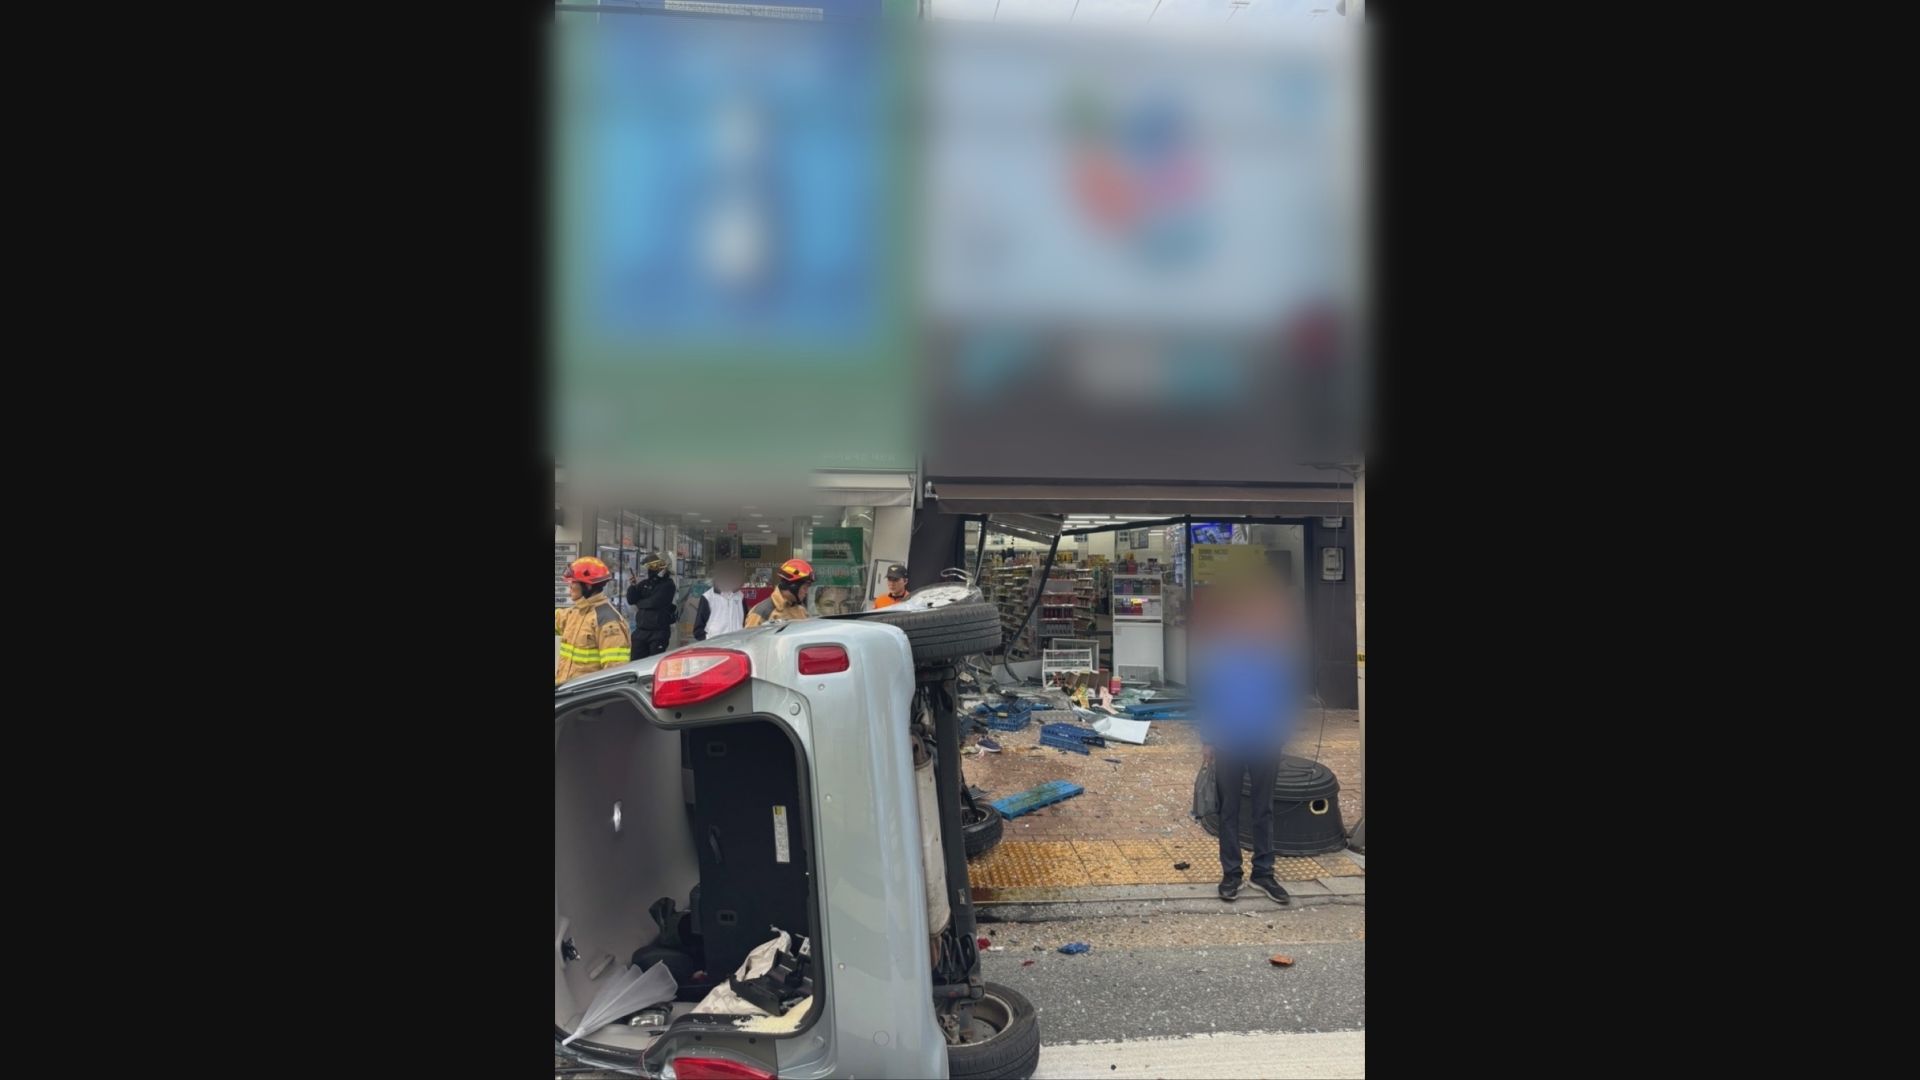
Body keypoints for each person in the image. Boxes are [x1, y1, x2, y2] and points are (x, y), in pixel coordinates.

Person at [1189, 567, 1303, 905]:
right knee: (1229, 810)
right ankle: (1231, 874)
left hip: (1266, 740)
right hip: (1228, 740)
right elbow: (1209, 697)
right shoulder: (1220, 653)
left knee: (1263, 810)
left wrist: (1281, 730)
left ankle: (1264, 873)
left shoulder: (1278, 655)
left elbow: (1285, 697)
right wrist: (1208, 738)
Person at [555, 556, 633, 685]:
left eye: (573, 582)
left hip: (587, 695)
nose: (570, 586)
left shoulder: (608, 621)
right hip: (565, 691)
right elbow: (558, 618)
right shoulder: (576, 612)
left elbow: (614, 673)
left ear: (587, 586)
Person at [627, 556, 678, 658]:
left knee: (653, 662)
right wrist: (633, 586)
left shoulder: (668, 585)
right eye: (649, 567)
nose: (650, 570)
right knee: (635, 662)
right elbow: (631, 600)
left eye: (654, 566)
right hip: (641, 631)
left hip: (658, 632)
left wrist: (639, 603)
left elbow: (654, 603)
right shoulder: (645, 583)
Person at [744, 558, 815, 627]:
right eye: (804, 588)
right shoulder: (762, 612)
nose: (806, 592)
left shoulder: (801, 610)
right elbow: (750, 635)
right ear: (793, 586)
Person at [693, 561, 748, 641]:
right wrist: (710, 640)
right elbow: (698, 630)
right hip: (716, 645)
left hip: (737, 644)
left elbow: (746, 623)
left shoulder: (740, 596)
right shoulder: (708, 597)